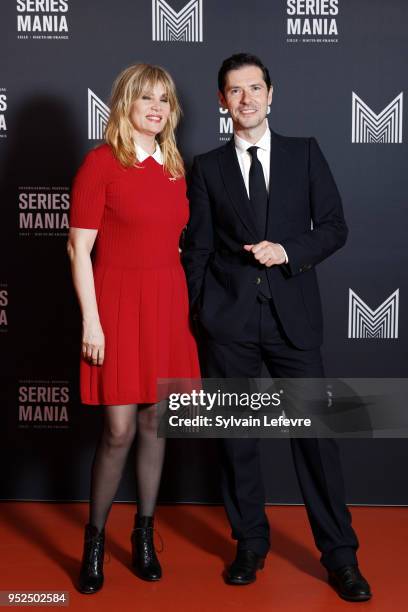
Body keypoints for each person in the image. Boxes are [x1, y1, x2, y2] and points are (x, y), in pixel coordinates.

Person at [182, 53, 372, 602]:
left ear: (272, 94)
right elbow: (196, 249)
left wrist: (289, 249)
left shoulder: (304, 154)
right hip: (229, 323)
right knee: (237, 441)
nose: (246, 99)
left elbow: (334, 227)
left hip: (294, 320)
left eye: (255, 88)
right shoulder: (206, 167)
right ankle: (249, 544)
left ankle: (340, 556)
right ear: (222, 101)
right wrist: (201, 312)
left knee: (315, 441)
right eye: (234, 91)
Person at [67, 63, 200, 593]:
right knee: (118, 430)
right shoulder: (100, 163)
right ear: (124, 103)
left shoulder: (174, 166)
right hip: (117, 306)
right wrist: (92, 322)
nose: (156, 107)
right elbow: (79, 249)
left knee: (154, 425)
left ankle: (144, 534)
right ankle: (94, 539)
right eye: (145, 97)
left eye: (164, 99)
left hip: (166, 304)